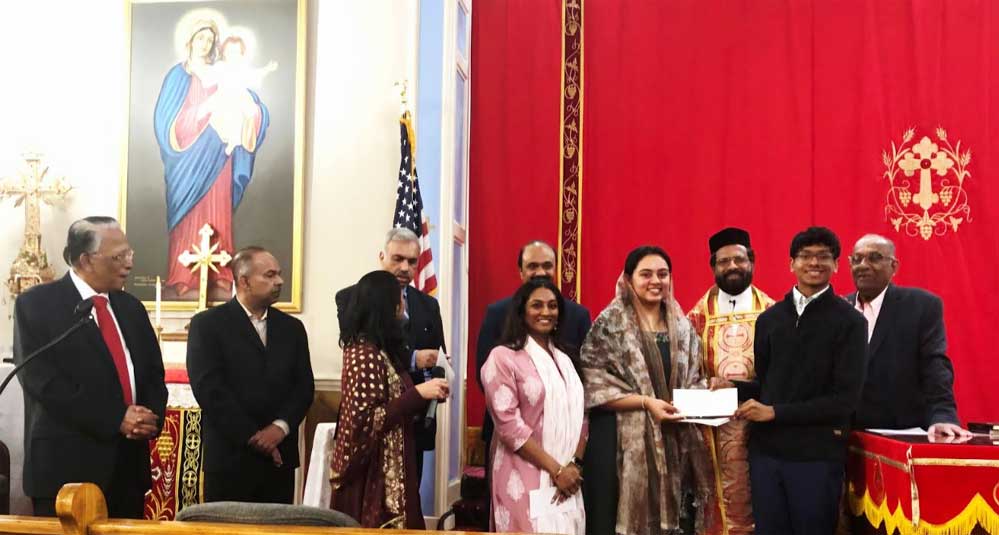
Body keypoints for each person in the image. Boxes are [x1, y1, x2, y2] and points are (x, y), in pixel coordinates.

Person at [13, 216, 167, 518]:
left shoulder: (131, 308)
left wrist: (149, 417)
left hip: (127, 468)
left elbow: (152, 373)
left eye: (129, 253)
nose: (129, 263)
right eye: (118, 257)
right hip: (66, 469)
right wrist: (116, 417)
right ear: (86, 260)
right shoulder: (37, 305)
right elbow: (43, 381)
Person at [721, 227, 867, 535]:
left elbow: (844, 400)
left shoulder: (851, 322)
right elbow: (768, 385)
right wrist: (732, 387)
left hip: (816, 456)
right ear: (791, 263)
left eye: (823, 256)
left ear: (836, 265)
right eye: (805, 256)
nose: (814, 263)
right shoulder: (769, 319)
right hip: (767, 455)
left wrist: (775, 412)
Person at [581, 245, 718, 535]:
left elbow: (694, 377)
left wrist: (707, 393)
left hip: (677, 440)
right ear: (628, 280)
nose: (656, 281)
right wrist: (646, 402)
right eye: (646, 274)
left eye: (662, 274)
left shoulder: (682, 326)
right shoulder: (609, 324)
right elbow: (593, 383)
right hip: (621, 442)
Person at [154, 17, 270, 301]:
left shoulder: (222, 73)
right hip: (187, 162)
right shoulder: (178, 76)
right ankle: (183, 277)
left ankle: (220, 276)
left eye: (209, 39)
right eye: (200, 38)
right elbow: (165, 122)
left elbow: (248, 103)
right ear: (190, 41)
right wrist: (201, 111)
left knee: (217, 211)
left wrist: (253, 114)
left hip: (218, 157)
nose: (205, 44)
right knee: (189, 215)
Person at [186, 246, 314, 503]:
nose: (279, 281)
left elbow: (303, 387)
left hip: (279, 459)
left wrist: (279, 428)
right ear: (244, 281)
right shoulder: (208, 325)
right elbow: (210, 389)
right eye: (269, 275)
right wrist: (254, 437)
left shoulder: (292, 328)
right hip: (231, 457)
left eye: (279, 274)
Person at [330, 270, 450, 528]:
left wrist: (426, 394)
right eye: (399, 301)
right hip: (373, 480)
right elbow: (366, 422)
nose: (404, 307)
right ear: (390, 306)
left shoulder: (381, 348)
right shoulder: (363, 353)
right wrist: (419, 394)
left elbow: (394, 398)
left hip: (393, 465)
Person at [336, 228, 446, 482]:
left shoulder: (428, 304)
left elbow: (438, 352)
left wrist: (438, 374)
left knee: (410, 493)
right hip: (371, 428)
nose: (405, 268)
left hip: (414, 424)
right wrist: (414, 358)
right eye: (398, 259)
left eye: (412, 261)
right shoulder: (351, 297)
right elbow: (359, 343)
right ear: (382, 257)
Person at [481, 277, 587, 534]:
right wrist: (556, 470)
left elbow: (583, 416)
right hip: (523, 475)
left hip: (568, 477)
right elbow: (509, 426)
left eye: (552, 305)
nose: (546, 312)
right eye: (537, 305)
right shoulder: (503, 358)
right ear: (522, 311)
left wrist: (574, 465)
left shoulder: (566, 359)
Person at [686, 227, 774, 535]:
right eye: (724, 261)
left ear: (752, 261)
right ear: (713, 267)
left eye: (739, 259)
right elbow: (685, 374)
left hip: (761, 427)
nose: (732, 266)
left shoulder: (773, 313)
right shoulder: (695, 319)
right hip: (713, 431)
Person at [474, 240, 591, 464]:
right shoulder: (497, 313)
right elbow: (485, 376)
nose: (540, 272)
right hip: (512, 444)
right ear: (521, 272)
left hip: (568, 441)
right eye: (532, 266)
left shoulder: (577, 316)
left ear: (556, 269)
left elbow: (587, 376)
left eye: (547, 266)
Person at [846, 234, 970, 438]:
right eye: (857, 259)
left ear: (894, 266)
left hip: (898, 434)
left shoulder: (921, 306)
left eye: (874, 258)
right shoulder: (839, 309)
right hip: (844, 437)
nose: (863, 265)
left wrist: (943, 414)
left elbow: (935, 366)